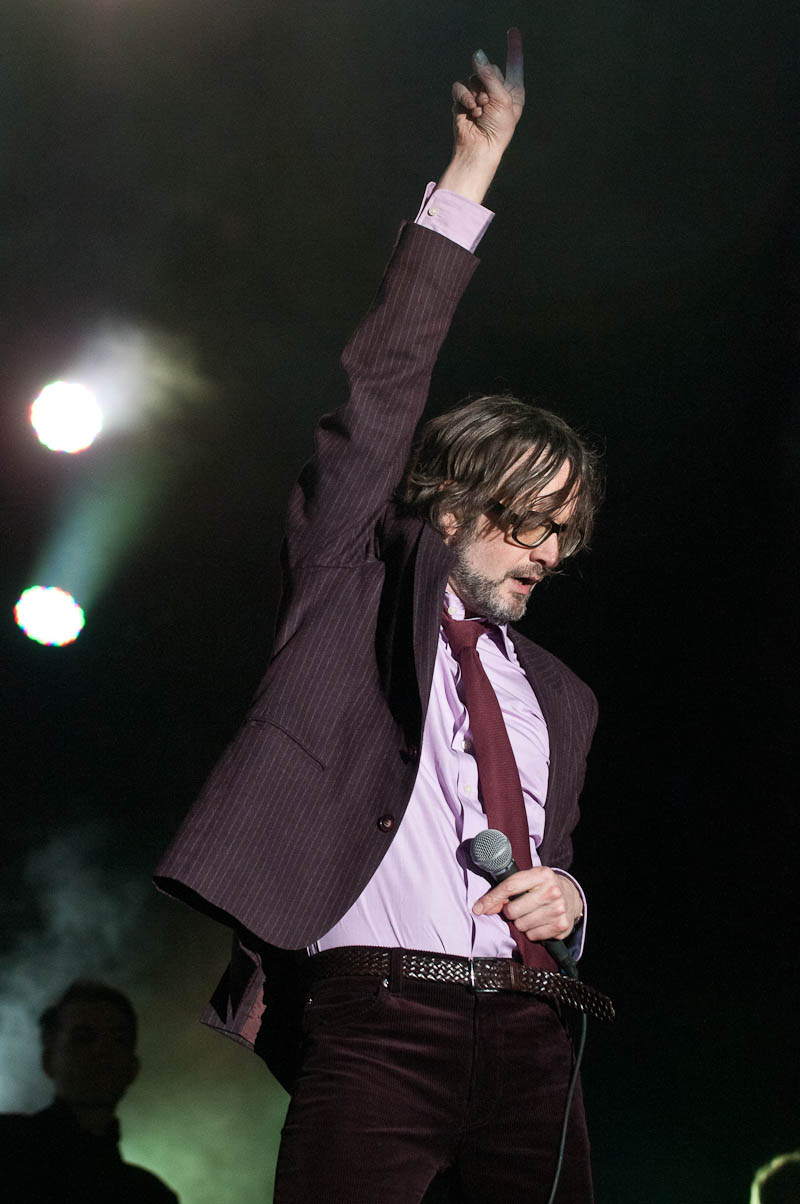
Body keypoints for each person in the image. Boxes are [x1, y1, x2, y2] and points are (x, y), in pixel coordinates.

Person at [155, 29, 610, 1203]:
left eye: (564, 534)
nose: (546, 551)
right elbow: (382, 388)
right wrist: (471, 174)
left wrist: (566, 899)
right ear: (447, 505)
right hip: (378, 1015)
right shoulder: (349, 593)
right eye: (526, 521)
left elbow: (547, 861)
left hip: (534, 1031)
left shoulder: (559, 696)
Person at [0, 980, 179, 1204]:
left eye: (118, 1040)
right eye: (82, 1038)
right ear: (48, 1060)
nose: (101, 1051)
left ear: (133, 1068)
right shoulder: (7, 1146)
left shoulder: (150, 1195)